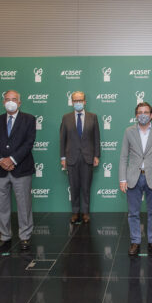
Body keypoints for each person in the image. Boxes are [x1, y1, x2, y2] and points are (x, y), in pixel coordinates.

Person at [0, 90, 36, 251]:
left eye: (14, 99)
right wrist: (1, 161)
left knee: (24, 205)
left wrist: (12, 159)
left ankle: (25, 236)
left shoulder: (29, 119)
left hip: (21, 168)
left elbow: (29, 143)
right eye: (7, 99)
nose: (10, 102)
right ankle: (5, 236)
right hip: (0, 169)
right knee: (2, 206)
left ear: (19, 102)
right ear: (3, 102)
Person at [119, 102, 152, 256]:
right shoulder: (128, 131)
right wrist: (122, 179)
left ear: (151, 115)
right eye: (140, 112)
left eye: (146, 112)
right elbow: (123, 157)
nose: (143, 115)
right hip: (133, 177)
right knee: (133, 213)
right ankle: (135, 241)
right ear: (136, 115)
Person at [59, 91, 100, 224]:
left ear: (84, 101)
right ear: (72, 102)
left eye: (80, 100)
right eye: (75, 100)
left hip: (88, 157)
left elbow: (96, 138)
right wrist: (63, 157)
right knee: (74, 187)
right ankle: (75, 212)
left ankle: (86, 212)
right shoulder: (66, 118)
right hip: (71, 158)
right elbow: (62, 139)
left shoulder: (93, 117)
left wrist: (97, 155)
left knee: (86, 187)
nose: (78, 103)